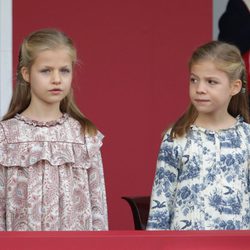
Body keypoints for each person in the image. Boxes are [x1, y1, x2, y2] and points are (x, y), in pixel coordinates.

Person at [0, 28, 108, 231]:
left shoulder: (85, 137)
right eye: (46, 70)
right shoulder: (5, 137)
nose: (56, 79)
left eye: (64, 70)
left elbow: (98, 212)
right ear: (26, 74)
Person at [147, 41, 250, 230]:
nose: (199, 88)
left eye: (211, 82)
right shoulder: (176, 137)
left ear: (234, 87)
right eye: (194, 80)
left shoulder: (247, 138)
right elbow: (160, 205)